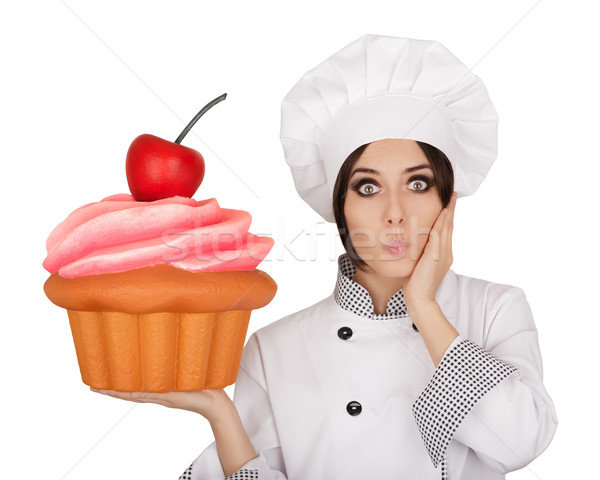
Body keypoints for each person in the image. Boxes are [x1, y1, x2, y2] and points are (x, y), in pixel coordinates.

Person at [91, 34, 558, 479]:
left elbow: (520, 444)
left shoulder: (497, 309)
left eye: (418, 183)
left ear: (447, 201)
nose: (395, 214)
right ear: (340, 208)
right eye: (367, 187)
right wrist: (220, 412)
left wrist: (424, 307)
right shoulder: (272, 349)